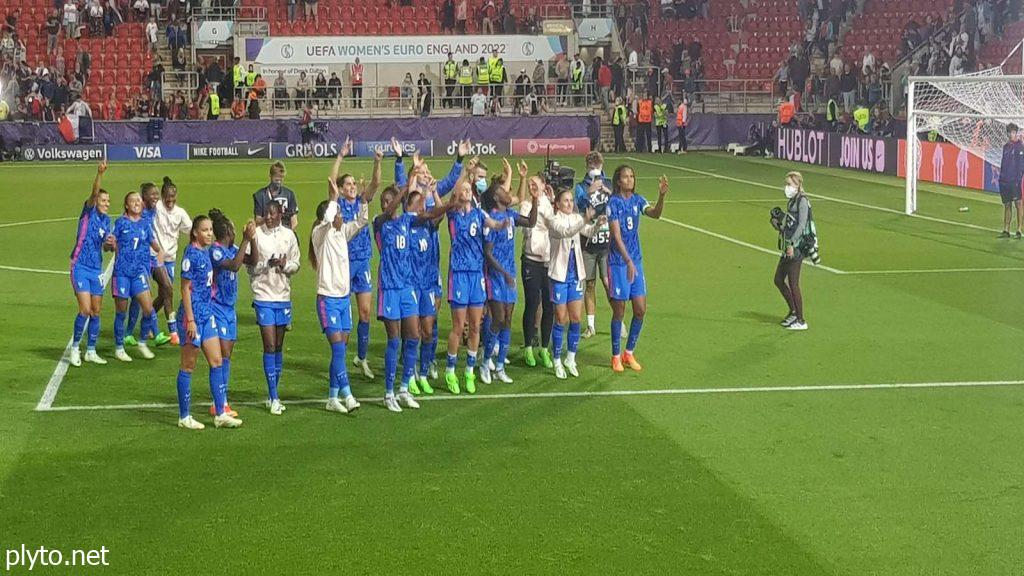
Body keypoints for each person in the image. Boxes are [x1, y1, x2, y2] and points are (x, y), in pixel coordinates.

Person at [436, 162, 510, 394]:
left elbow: (495, 224)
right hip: (458, 275)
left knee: (476, 325)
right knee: (459, 326)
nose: (468, 191)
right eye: (464, 190)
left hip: (476, 275)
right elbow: (448, 198)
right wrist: (464, 175)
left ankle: (468, 371)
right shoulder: (452, 215)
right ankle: (450, 371)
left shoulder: (479, 214)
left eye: (470, 189)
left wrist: (503, 223)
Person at [310, 144, 369, 414]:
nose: (341, 215)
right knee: (337, 347)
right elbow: (329, 215)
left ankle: (332, 398)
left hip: (343, 299)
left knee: (341, 349)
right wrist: (333, 199)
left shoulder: (341, 232)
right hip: (328, 299)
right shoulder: (320, 234)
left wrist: (365, 201)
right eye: (336, 213)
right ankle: (347, 394)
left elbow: (360, 222)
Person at [174, 214, 243, 430]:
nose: (209, 233)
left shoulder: (205, 252)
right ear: (195, 232)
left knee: (217, 361)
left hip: (207, 315)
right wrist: (191, 321)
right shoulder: (191, 254)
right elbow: (185, 288)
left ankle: (220, 413)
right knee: (188, 365)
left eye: (211, 229)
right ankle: (184, 416)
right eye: (205, 230)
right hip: (191, 317)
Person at [481, 160, 538, 384]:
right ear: (496, 197)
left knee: (508, 320)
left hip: (509, 275)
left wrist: (534, 198)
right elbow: (487, 252)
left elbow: (531, 222)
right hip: (497, 275)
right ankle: (486, 363)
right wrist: (503, 273)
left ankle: (500, 367)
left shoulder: (511, 215)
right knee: (498, 319)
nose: (508, 193)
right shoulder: (490, 220)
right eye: (504, 191)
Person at [607, 166, 667, 372]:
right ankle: (615, 355)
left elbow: (655, 214)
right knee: (620, 309)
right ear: (618, 181)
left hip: (636, 261)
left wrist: (661, 196)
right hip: (618, 262)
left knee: (640, 309)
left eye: (632, 176)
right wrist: (628, 261)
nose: (630, 179)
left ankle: (628, 353)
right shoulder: (613, 203)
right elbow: (615, 235)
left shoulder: (638, 200)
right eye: (625, 176)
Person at [331, 142, 382, 380]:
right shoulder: (338, 204)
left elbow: (375, 184)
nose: (352, 187)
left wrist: (377, 162)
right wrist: (340, 156)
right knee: (345, 317)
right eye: (347, 184)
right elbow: (331, 181)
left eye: (353, 184)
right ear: (341, 189)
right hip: (344, 264)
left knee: (364, 313)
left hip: (363, 262)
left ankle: (361, 358)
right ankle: (340, 361)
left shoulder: (363, 201)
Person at [372, 183, 424, 412]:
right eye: (383, 201)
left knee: (413, 336)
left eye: (388, 200)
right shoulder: (380, 223)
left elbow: (425, 215)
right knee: (394, 339)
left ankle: (404, 388)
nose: (385, 204)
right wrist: (402, 191)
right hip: (389, 288)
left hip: (407, 286)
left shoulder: (405, 222)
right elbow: (389, 210)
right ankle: (388, 392)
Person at [247, 201, 300, 415]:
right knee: (269, 345)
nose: (268, 217)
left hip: (283, 295)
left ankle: (272, 394)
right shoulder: (257, 235)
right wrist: (266, 264)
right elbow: (250, 267)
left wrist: (284, 265)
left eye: (272, 213)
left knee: (278, 346)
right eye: (266, 213)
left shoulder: (289, 235)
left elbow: (296, 263)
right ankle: (275, 397)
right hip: (263, 295)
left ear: (280, 214)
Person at [546, 188, 603, 378]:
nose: (570, 203)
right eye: (566, 200)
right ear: (558, 204)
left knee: (576, 318)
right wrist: (585, 221)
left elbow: (587, 232)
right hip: (559, 276)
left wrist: (597, 225)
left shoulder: (576, 218)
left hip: (575, 274)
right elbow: (567, 232)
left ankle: (570, 358)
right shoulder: (553, 221)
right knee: (561, 318)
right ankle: (556, 359)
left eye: (571, 200)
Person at [207, 209, 257, 419]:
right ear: (227, 232)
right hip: (216, 306)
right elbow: (235, 266)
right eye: (234, 231)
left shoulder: (233, 248)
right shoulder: (216, 251)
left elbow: (253, 260)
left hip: (229, 308)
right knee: (223, 354)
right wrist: (246, 239)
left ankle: (221, 398)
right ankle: (219, 401)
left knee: (227, 355)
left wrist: (252, 240)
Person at [68, 162, 114, 367]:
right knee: (85, 309)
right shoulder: (89, 213)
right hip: (80, 266)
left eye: (108, 201)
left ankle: (91, 350)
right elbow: (94, 193)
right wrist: (100, 174)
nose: (106, 203)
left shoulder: (107, 222)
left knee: (96, 311)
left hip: (96, 269)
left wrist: (111, 245)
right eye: (104, 200)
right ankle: (75, 347)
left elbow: (104, 247)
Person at [110, 191, 164, 363]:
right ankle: (119, 348)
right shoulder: (120, 223)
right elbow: (109, 245)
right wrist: (109, 244)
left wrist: (159, 259)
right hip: (122, 273)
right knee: (121, 312)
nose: (137, 203)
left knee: (148, 310)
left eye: (139, 200)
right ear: (126, 205)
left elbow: (156, 246)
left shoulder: (145, 224)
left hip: (139, 273)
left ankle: (142, 342)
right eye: (133, 201)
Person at [519, 174, 555, 368]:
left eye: (536, 183)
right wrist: (536, 202)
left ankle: (544, 348)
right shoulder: (526, 205)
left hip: (548, 262)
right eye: (530, 183)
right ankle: (528, 347)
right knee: (532, 304)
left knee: (549, 306)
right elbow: (529, 225)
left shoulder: (550, 204)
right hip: (531, 260)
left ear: (543, 185)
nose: (532, 185)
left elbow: (555, 225)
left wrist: (552, 202)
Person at [574, 152, 611, 339]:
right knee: (590, 283)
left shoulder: (609, 183)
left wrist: (608, 191)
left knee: (608, 282)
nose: (594, 167)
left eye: (597, 164)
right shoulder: (581, 187)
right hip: (588, 242)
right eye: (591, 164)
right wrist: (589, 193)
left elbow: (616, 203)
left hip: (607, 242)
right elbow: (577, 207)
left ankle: (618, 321)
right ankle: (590, 325)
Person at [152, 177, 192, 345]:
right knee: (168, 289)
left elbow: (192, 230)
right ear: (162, 196)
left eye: (173, 197)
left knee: (163, 294)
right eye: (167, 197)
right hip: (154, 257)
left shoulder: (180, 213)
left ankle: (147, 321)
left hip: (170, 260)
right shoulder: (156, 208)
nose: (170, 200)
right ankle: (173, 330)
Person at [775, 172, 812, 331]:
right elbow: (790, 224)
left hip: (796, 248)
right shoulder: (792, 202)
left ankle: (801, 320)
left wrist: (792, 244)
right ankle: (793, 311)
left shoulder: (802, 201)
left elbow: (802, 225)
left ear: (797, 185)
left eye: (789, 184)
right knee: (778, 279)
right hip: (787, 246)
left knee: (793, 283)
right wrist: (777, 224)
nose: (787, 187)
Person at [253, 161, 298, 230]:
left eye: (281, 177)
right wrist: (269, 217)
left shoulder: (289, 194)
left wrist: (286, 234)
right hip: (266, 234)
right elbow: (257, 221)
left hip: (285, 234)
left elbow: (294, 221)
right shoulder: (260, 195)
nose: (279, 180)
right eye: (276, 176)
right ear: (270, 176)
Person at [999, 123, 1024, 238]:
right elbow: (1003, 163)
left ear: (1016, 133)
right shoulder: (1006, 147)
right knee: (1007, 205)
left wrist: (1018, 179)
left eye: (1013, 132)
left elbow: (1021, 165)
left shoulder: (1020, 146)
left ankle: (1019, 230)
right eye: (1009, 132)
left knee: (1018, 203)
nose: (1010, 134)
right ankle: (1006, 230)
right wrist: (1001, 178)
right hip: (1004, 181)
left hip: (1015, 181)